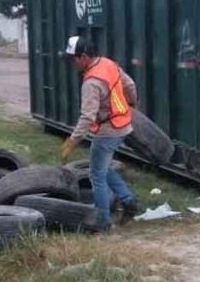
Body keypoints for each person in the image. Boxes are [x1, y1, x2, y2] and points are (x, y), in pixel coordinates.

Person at [59, 35, 140, 231]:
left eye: (74, 59)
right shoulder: (108, 64)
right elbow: (130, 85)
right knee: (103, 168)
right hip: (123, 125)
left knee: (96, 176)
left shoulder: (91, 83)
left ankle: (102, 222)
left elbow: (87, 117)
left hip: (107, 131)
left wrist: (72, 141)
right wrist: (132, 104)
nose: (72, 63)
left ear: (84, 56)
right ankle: (129, 201)